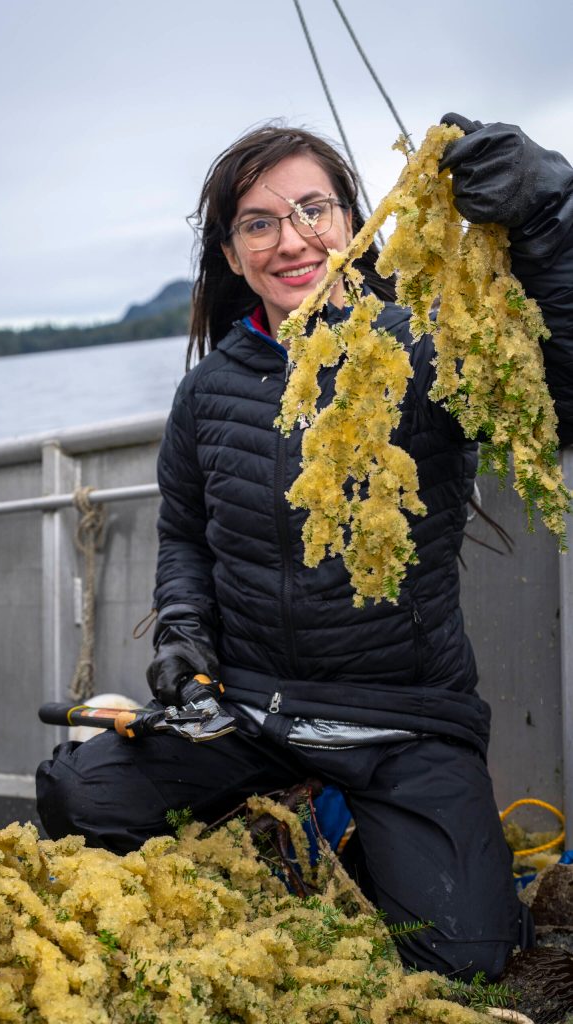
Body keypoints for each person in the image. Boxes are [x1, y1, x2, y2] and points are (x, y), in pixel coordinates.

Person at [37, 113, 573, 980]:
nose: (291, 240)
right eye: (258, 222)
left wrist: (549, 218)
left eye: (313, 211)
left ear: (353, 221)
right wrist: (182, 635)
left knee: (467, 959)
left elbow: (559, 394)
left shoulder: (422, 348)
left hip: (405, 718)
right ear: (228, 253)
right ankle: (290, 829)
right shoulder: (207, 393)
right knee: (76, 791)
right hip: (249, 707)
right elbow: (184, 534)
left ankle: (366, 845)